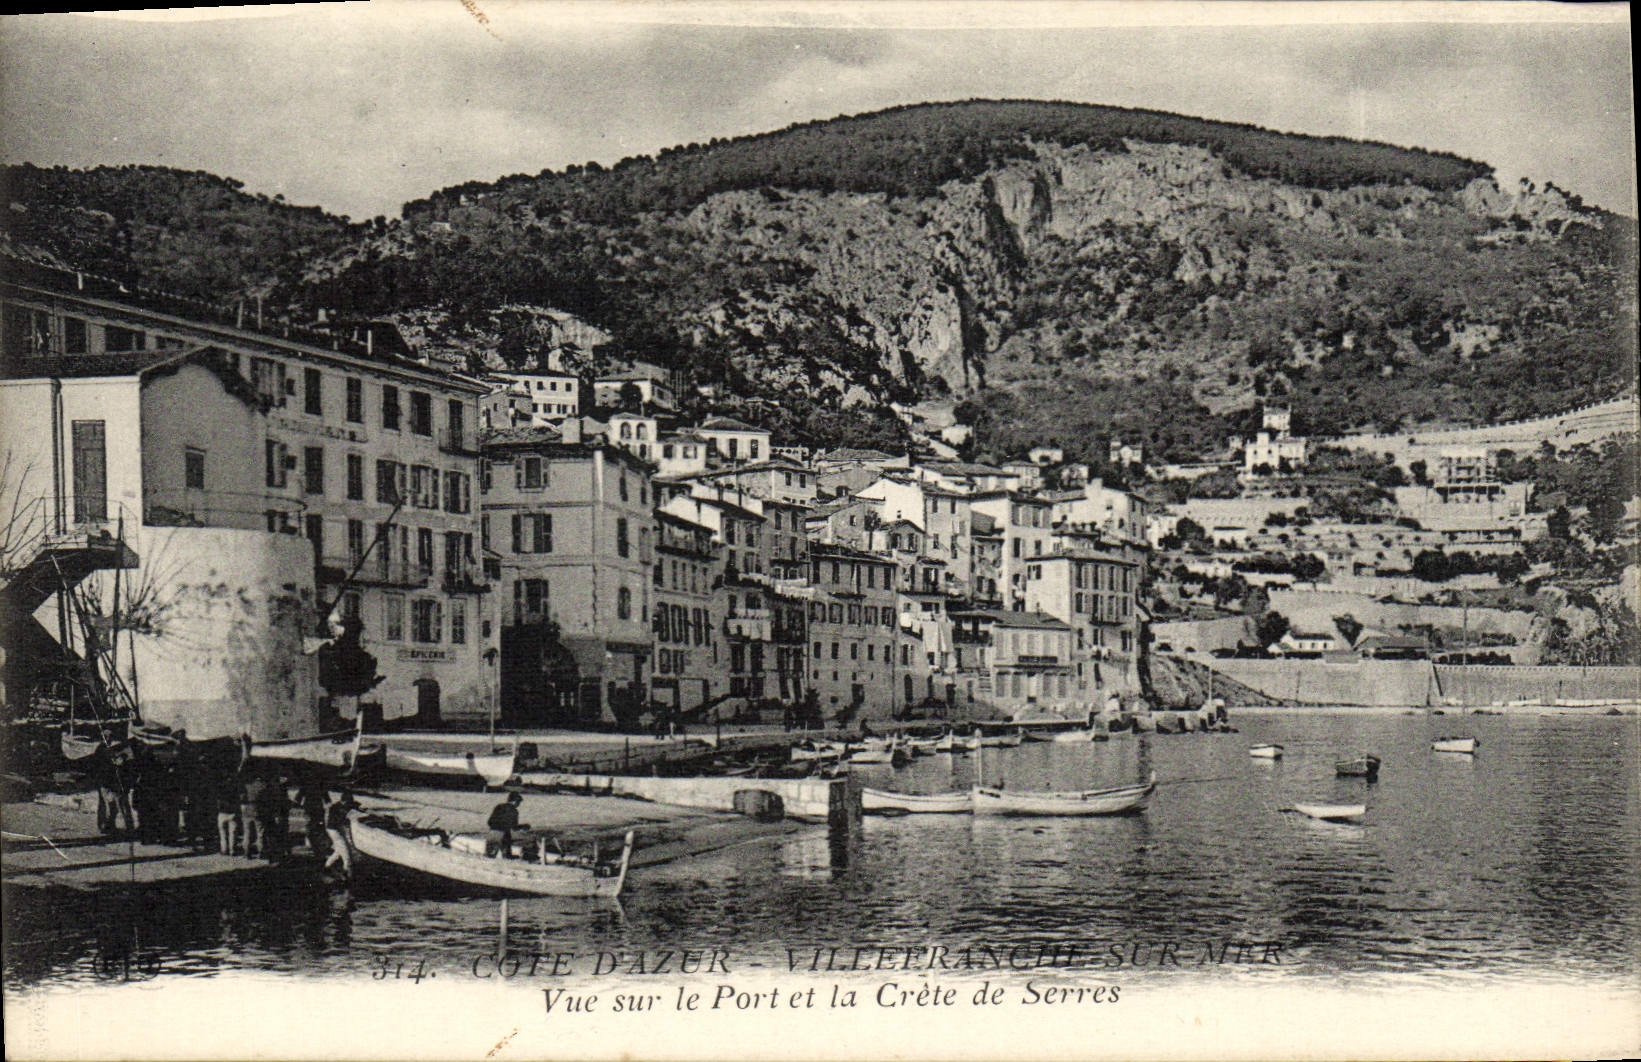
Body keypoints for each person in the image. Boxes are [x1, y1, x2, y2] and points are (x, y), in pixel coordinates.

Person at [323, 790, 359, 881]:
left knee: (339, 851)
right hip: (334, 832)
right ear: (345, 801)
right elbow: (345, 815)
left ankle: (327, 867)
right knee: (346, 855)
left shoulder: (336, 807)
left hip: (335, 830)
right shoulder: (337, 808)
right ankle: (347, 875)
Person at [486, 792, 528, 859]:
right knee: (507, 857)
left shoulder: (498, 806)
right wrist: (524, 826)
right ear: (514, 801)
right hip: (503, 835)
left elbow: (489, 822)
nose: (519, 804)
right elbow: (514, 827)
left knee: (489, 857)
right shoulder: (514, 811)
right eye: (518, 802)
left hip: (492, 833)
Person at [239, 768, 265, 860]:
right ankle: (261, 852)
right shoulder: (263, 786)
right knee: (260, 833)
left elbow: (242, 798)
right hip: (259, 810)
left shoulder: (247, 786)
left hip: (247, 810)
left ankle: (247, 853)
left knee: (247, 833)